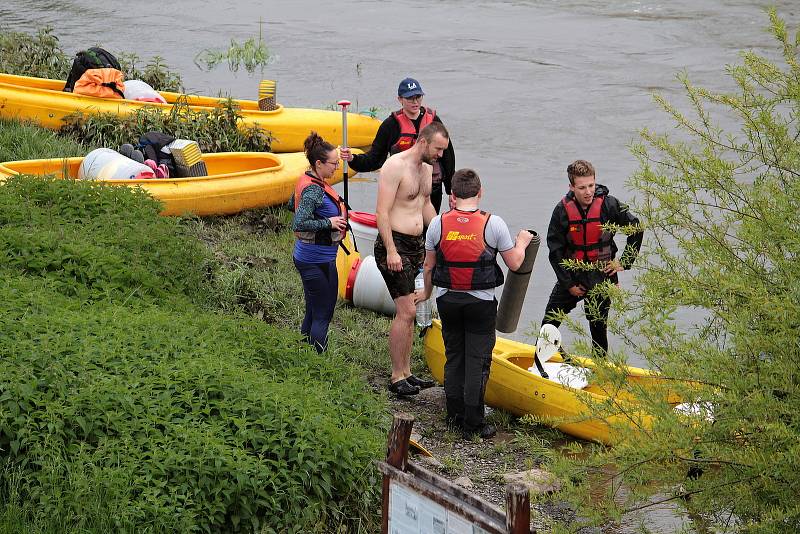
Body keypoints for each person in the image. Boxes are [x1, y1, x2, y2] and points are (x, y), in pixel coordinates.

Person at [420, 168, 532, 439]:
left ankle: (454, 415)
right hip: (480, 303)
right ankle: (474, 422)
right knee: (478, 361)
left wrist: (426, 294)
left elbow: (428, 266)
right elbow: (515, 263)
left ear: (453, 195)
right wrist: (522, 242)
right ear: (480, 193)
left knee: (455, 356)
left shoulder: (438, 223)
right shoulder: (493, 224)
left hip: (447, 300)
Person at [375, 122, 450, 396]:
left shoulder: (428, 169)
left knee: (413, 311)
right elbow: (381, 213)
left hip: (417, 244)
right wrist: (391, 250)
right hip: (393, 245)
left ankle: (407, 372)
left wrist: (444, 231)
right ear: (423, 141)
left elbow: (425, 205)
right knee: (406, 311)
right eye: (438, 149)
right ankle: (396, 377)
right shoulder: (395, 166)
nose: (441, 155)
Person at [541, 159, 644, 356]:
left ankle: (600, 371)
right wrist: (569, 283)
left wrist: (624, 262)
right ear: (571, 187)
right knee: (549, 324)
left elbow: (636, 228)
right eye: (582, 187)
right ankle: (556, 361)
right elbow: (555, 250)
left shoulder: (609, 205)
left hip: (601, 276)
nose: (588, 192)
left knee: (598, 329)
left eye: (591, 185)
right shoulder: (562, 210)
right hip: (572, 275)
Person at [339, 77, 455, 213]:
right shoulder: (390, 125)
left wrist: (451, 190)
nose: (415, 101)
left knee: (429, 227)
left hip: (430, 189)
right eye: (410, 98)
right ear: (400, 99)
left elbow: (448, 156)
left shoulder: (433, 120)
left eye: (418, 97)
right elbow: (375, 159)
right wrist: (353, 158)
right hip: (403, 191)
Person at [288, 132, 348, 353]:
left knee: (314, 309)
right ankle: (317, 362)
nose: (335, 167)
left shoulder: (309, 180)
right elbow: (299, 222)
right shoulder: (313, 188)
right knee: (323, 313)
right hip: (315, 259)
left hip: (314, 256)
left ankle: (304, 354)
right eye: (333, 163)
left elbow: (291, 204)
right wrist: (328, 222)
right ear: (319, 163)